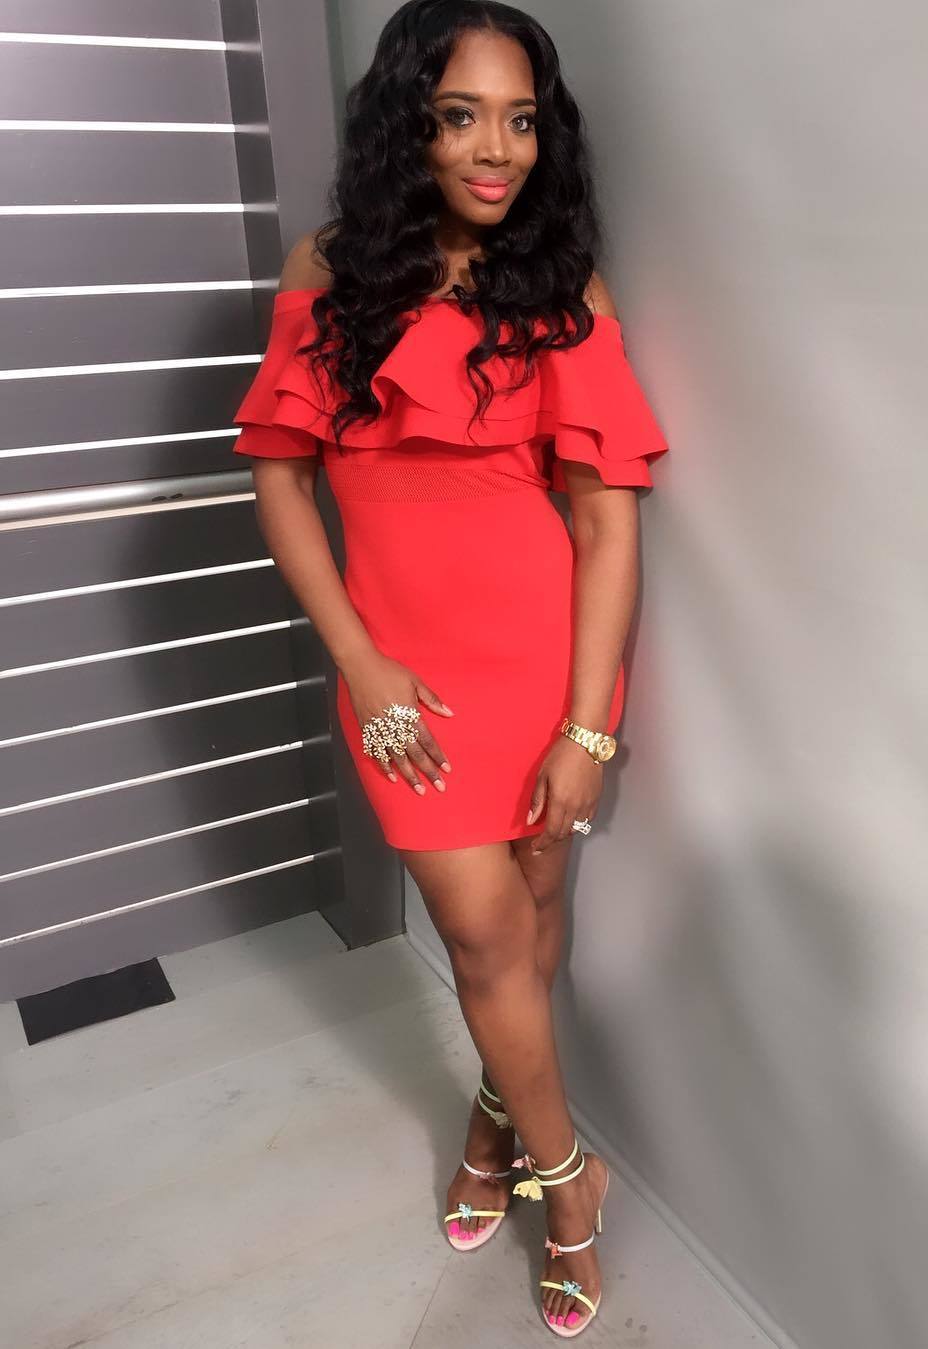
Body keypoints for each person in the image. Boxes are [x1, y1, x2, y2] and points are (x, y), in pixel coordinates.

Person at [231, 1, 668, 1337]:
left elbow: (605, 525)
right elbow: (282, 483)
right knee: (483, 931)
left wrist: (585, 732)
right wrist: (360, 662)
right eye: (463, 115)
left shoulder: (562, 287)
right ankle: (569, 1179)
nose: (497, 150)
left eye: (522, 119)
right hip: (401, 678)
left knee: (528, 913)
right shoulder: (328, 271)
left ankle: (493, 1125)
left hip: (544, 663)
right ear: (406, 123)